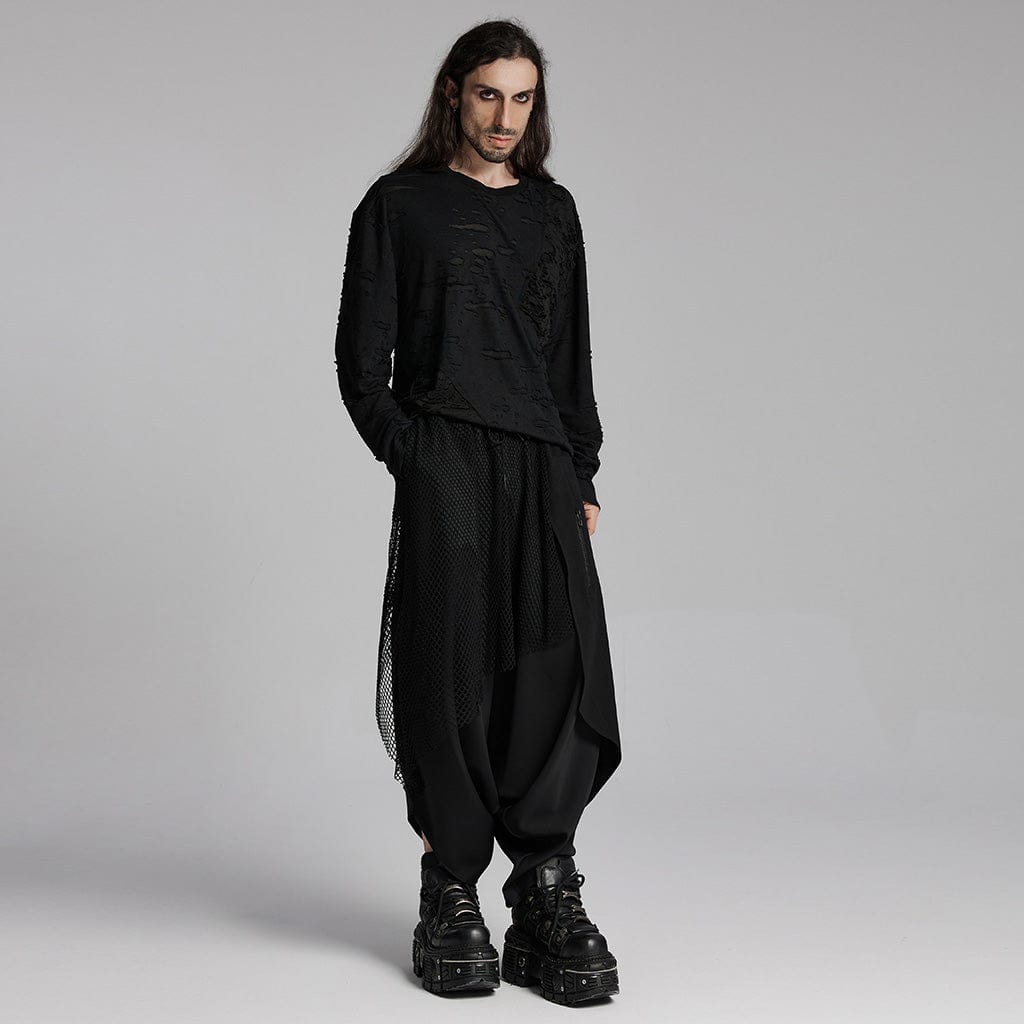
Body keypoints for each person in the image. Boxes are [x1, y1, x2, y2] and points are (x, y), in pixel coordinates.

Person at [333, 19, 622, 1005]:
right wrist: (413, 456)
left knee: (553, 665)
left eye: (523, 98)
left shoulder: (552, 212)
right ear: (454, 92)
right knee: (449, 666)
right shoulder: (399, 205)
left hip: (541, 466)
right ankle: (449, 886)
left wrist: (581, 471)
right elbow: (359, 363)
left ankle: (543, 890)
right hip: (447, 458)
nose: (506, 117)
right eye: (490, 94)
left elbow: (569, 357)